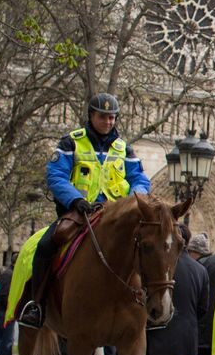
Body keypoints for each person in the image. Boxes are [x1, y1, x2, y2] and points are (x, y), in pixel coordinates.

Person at [19, 93, 152, 329]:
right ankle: (36, 305)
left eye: (112, 117)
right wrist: (75, 199)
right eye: (103, 116)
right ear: (91, 116)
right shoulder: (71, 142)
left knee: (147, 248)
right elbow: (56, 175)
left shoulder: (124, 149)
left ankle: (147, 303)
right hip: (80, 213)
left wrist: (135, 199)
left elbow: (139, 178)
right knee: (47, 244)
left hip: (113, 214)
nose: (108, 122)